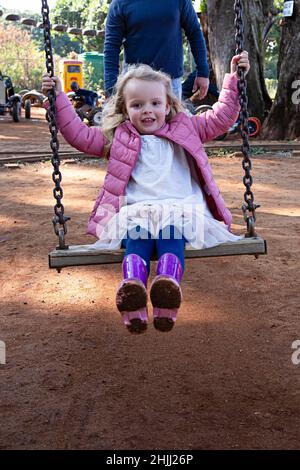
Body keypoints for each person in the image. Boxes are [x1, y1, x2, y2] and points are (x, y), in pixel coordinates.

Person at [42, 51, 250, 335]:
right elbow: (79, 134)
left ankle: (167, 288)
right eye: (137, 105)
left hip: (180, 208)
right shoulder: (119, 136)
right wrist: (58, 100)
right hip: (136, 209)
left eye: (155, 103)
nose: (147, 110)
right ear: (126, 110)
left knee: (172, 234)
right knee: (136, 236)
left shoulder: (186, 127)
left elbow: (221, 118)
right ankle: (133, 291)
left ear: (168, 106)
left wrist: (235, 81)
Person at [104, 0, 210, 100]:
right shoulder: (120, 3)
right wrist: (110, 88)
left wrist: (203, 72)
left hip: (171, 83)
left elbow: (194, 33)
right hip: (135, 83)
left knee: (173, 120)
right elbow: (111, 46)